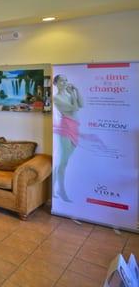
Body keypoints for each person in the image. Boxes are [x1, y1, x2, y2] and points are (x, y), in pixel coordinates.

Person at [53, 74, 83, 202]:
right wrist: (72, 95)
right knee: (63, 162)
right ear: (56, 83)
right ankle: (61, 190)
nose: (64, 82)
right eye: (61, 81)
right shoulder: (56, 98)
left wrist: (76, 91)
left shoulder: (69, 95)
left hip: (75, 127)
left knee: (62, 162)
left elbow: (81, 104)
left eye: (66, 80)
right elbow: (74, 108)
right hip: (65, 127)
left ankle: (55, 187)